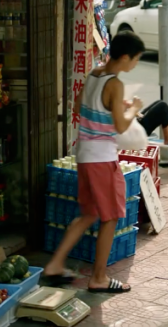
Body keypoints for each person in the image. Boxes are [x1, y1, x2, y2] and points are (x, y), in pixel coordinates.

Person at [42, 31, 146, 294]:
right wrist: (132, 108)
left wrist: (113, 107)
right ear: (125, 57)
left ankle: (54, 264)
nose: (135, 65)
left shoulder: (94, 75)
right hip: (102, 158)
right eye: (135, 60)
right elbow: (121, 126)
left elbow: (79, 108)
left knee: (89, 213)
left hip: (85, 155)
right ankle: (99, 277)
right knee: (110, 217)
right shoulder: (115, 83)